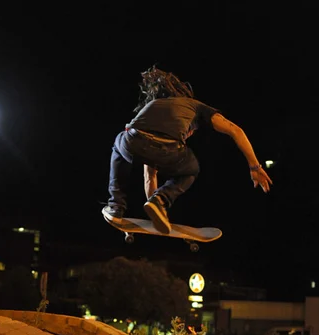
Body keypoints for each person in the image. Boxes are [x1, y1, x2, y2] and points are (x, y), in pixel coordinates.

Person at [102, 66, 272, 234]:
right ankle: (161, 199)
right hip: (168, 148)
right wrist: (254, 166)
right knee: (191, 168)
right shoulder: (198, 107)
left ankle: (116, 206)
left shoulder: (155, 104)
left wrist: (156, 214)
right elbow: (235, 130)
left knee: (119, 145)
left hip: (133, 140)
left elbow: (149, 177)